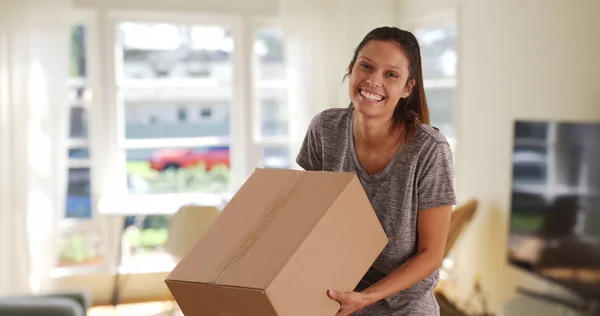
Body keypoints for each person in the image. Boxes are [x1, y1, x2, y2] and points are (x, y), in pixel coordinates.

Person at [296, 26, 457, 315]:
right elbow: (309, 222)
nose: (372, 81)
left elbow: (431, 254)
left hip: (403, 307)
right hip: (332, 298)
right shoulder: (325, 129)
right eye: (366, 66)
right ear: (351, 68)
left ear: (408, 88)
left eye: (391, 74)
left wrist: (366, 297)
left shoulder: (429, 149)